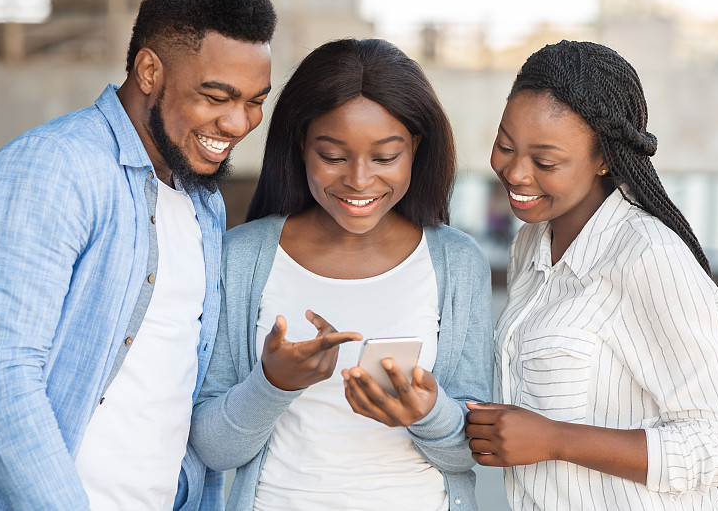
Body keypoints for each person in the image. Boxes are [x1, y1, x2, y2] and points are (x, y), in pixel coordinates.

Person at [0, 0, 275, 511]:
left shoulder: (204, 203)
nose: (238, 124)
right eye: (216, 96)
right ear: (150, 70)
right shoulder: (54, 167)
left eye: (255, 101)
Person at [189, 38, 493, 511]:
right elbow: (213, 449)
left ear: (415, 146)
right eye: (333, 156)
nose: (358, 179)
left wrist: (426, 413)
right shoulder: (242, 256)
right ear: (301, 144)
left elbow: (473, 449)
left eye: (385, 157)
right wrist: (272, 383)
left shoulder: (456, 261)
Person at [466, 40, 718, 510]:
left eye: (546, 162)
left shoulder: (647, 256)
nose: (514, 172)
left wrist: (556, 439)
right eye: (505, 145)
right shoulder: (530, 244)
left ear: (603, 159)